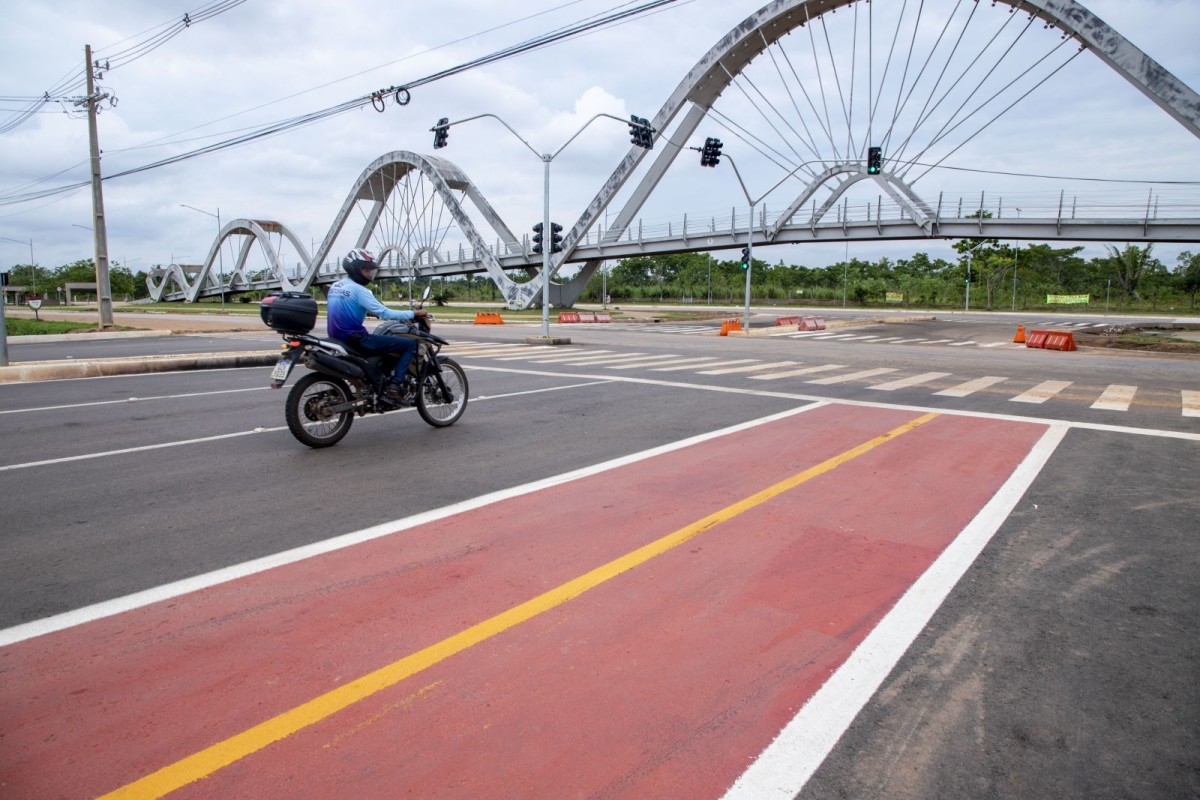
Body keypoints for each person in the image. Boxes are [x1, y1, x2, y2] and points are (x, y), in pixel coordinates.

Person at [326, 248, 428, 400]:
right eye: (366, 270)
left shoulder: (335, 287)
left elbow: (347, 307)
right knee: (409, 345)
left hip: (336, 338)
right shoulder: (360, 290)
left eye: (370, 270)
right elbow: (385, 313)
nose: (369, 274)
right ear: (355, 269)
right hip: (356, 339)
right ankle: (395, 384)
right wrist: (413, 313)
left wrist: (368, 311)